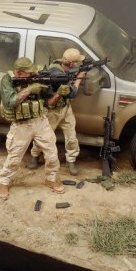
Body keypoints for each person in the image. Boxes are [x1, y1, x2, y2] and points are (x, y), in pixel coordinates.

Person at [0, 57, 65, 200]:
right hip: (22, 126)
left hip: (41, 121)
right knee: (14, 156)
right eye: (28, 73)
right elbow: (10, 102)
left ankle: (51, 179)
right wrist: (30, 89)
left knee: (52, 153)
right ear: (19, 73)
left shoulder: (36, 78)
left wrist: (58, 93)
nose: (32, 75)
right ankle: (4, 182)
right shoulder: (7, 80)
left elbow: (48, 104)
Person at [27, 48, 86, 176]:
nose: (77, 64)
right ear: (71, 63)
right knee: (43, 136)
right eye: (76, 62)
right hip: (52, 111)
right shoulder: (58, 75)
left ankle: (71, 160)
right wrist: (79, 79)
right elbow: (72, 93)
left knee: (71, 137)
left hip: (66, 108)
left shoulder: (61, 63)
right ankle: (35, 156)